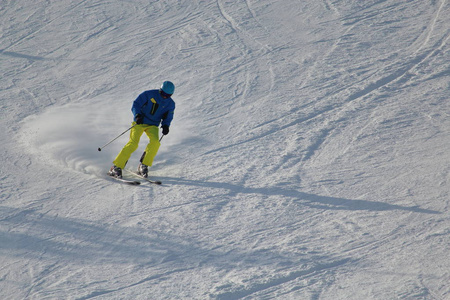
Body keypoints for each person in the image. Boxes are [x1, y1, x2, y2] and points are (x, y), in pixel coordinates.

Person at [109, 81, 175, 178]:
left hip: (153, 125)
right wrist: (137, 116)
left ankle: (143, 165)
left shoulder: (171, 104)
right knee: (133, 143)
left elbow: (168, 116)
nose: (165, 97)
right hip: (140, 122)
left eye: (168, 95)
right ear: (160, 90)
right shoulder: (148, 94)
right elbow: (136, 104)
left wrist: (166, 125)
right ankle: (116, 167)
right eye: (163, 94)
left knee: (155, 143)